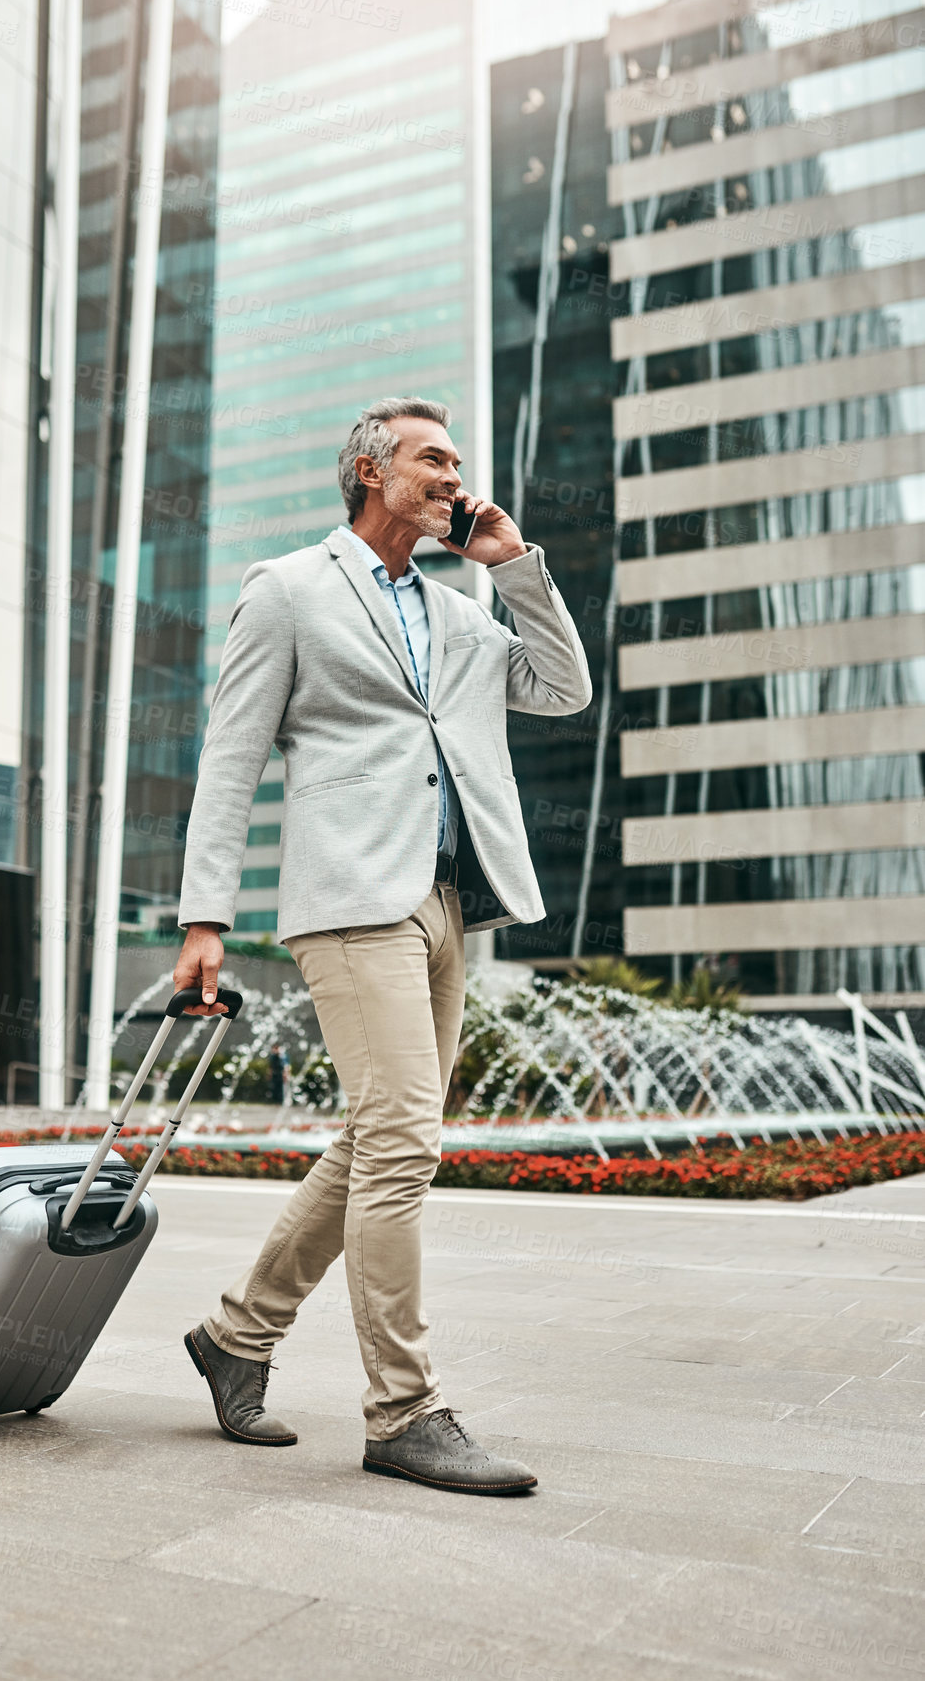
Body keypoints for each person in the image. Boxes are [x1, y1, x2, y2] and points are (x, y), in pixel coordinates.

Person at [173, 396, 591, 1495]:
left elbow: (562, 687)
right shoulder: (290, 590)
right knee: (404, 1142)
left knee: (375, 1138)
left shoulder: (460, 611)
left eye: (457, 462)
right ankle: (404, 1410)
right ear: (369, 469)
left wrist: (512, 564)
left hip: (450, 899)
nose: (454, 476)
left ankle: (236, 1337)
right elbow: (231, 761)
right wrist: (203, 921)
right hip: (351, 897)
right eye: (432, 458)